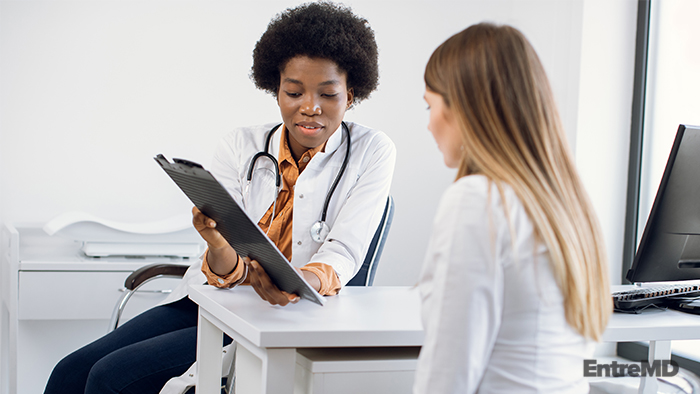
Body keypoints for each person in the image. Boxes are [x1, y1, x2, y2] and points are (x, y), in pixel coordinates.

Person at [44, 3, 395, 394]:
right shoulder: (241, 145)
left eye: (328, 94)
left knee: (110, 379)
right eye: (293, 91)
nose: (309, 107)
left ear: (352, 93)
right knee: (69, 372)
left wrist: (298, 282)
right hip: (212, 301)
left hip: (284, 317)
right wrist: (215, 242)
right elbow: (225, 265)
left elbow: (344, 251)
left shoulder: (372, 151)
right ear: (275, 88)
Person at [413, 23, 611, 393]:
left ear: (465, 106)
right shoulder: (567, 206)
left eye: (430, 105)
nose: (428, 123)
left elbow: (448, 374)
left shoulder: (477, 200)